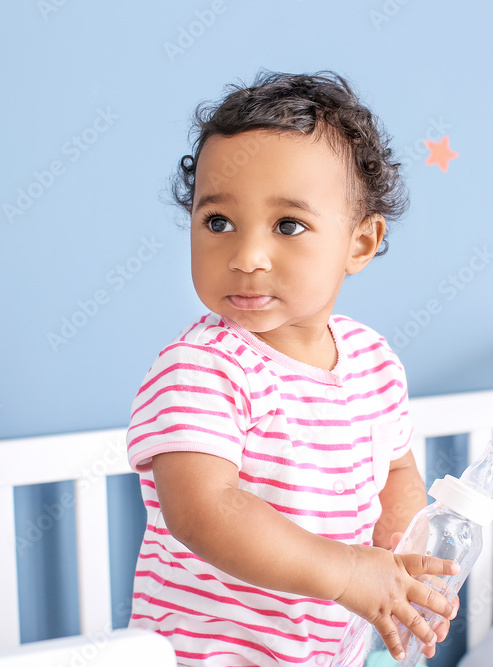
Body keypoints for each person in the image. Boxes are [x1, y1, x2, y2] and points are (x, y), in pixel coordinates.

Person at [125, 69, 459, 666]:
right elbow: (204, 511)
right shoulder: (202, 368)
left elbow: (398, 471)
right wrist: (349, 571)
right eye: (218, 222)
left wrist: (399, 555)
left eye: (288, 225)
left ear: (360, 243)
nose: (247, 256)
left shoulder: (375, 362)